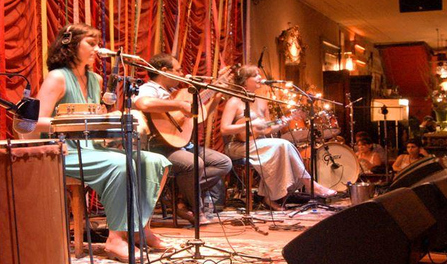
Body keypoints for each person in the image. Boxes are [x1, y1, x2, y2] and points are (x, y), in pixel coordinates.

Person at [25, 23, 170, 262]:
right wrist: (72, 122)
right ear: (70, 45)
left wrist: (112, 119)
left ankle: (139, 228)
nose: (97, 49)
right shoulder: (57, 77)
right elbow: (35, 120)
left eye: (97, 44)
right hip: (64, 151)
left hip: (93, 149)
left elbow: (97, 118)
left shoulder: (95, 80)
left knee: (156, 161)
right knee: (121, 165)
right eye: (91, 44)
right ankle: (115, 240)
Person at [133, 53, 232, 225]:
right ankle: (193, 206)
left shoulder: (176, 92)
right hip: (159, 146)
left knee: (223, 162)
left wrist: (216, 94)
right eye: (178, 70)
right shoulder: (151, 88)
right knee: (194, 163)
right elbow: (144, 104)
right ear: (164, 71)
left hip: (182, 144)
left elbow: (201, 116)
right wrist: (178, 105)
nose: (181, 74)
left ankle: (179, 197)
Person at [220, 65, 336, 210]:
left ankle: (270, 196)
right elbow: (224, 129)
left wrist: (283, 123)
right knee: (282, 145)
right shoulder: (234, 102)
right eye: (255, 75)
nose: (260, 78)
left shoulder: (261, 101)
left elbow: (268, 129)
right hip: (237, 146)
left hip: (260, 143)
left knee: (282, 146)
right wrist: (248, 124)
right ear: (244, 81)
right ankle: (309, 184)